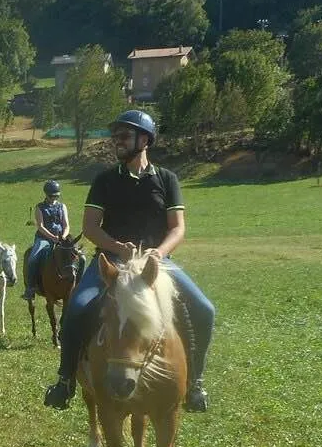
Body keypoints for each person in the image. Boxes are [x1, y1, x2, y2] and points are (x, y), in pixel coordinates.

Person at [43, 110, 215, 413]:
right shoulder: (105, 181)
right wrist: (116, 248)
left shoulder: (167, 179)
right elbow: (92, 226)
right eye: (115, 137)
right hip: (112, 263)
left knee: (204, 309)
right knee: (77, 308)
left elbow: (177, 228)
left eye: (124, 136)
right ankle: (65, 381)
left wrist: (158, 253)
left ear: (144, 139)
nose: (117, 142)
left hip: (156, 264)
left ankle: (195, 383)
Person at [22, 180, 70, 301]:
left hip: (61, 237)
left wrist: (63, 236)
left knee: (80, 256)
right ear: (46, 194)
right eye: (51, 196)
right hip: (44, 238)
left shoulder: (62, 206)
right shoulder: (39, 207)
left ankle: (77, 285)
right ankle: (30, 288)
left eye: (56, 196)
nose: (54, 198)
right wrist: (52, 238)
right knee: (33, 257)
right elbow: (40, 226)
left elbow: (66, 225)